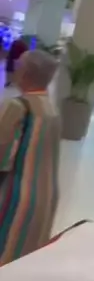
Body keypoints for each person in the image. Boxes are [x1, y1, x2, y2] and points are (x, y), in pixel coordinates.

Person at [0, 49, 60, 265]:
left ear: (25, 74)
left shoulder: (17, 106)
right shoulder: (52, 109)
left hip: (17, 198)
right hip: (46, 197)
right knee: (24, 259)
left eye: (18, 66)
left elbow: (2, 155)